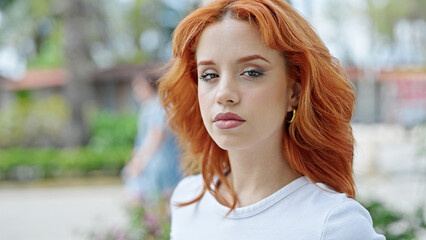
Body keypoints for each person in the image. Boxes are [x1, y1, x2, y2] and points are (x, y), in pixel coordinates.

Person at [158, 0, 385, 239]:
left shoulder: (334, 223)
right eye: (209, 75)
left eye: (251, 72)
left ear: (295, 92)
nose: (224, 93)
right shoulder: (187, 202)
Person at [122, 70, 182, 204]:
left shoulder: (156, 106)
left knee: (155, 204)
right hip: (156, 162)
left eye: (138, 86)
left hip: (157, 164)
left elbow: (156, 136)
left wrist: (139, 162)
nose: (135, 91)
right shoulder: (151, 106)